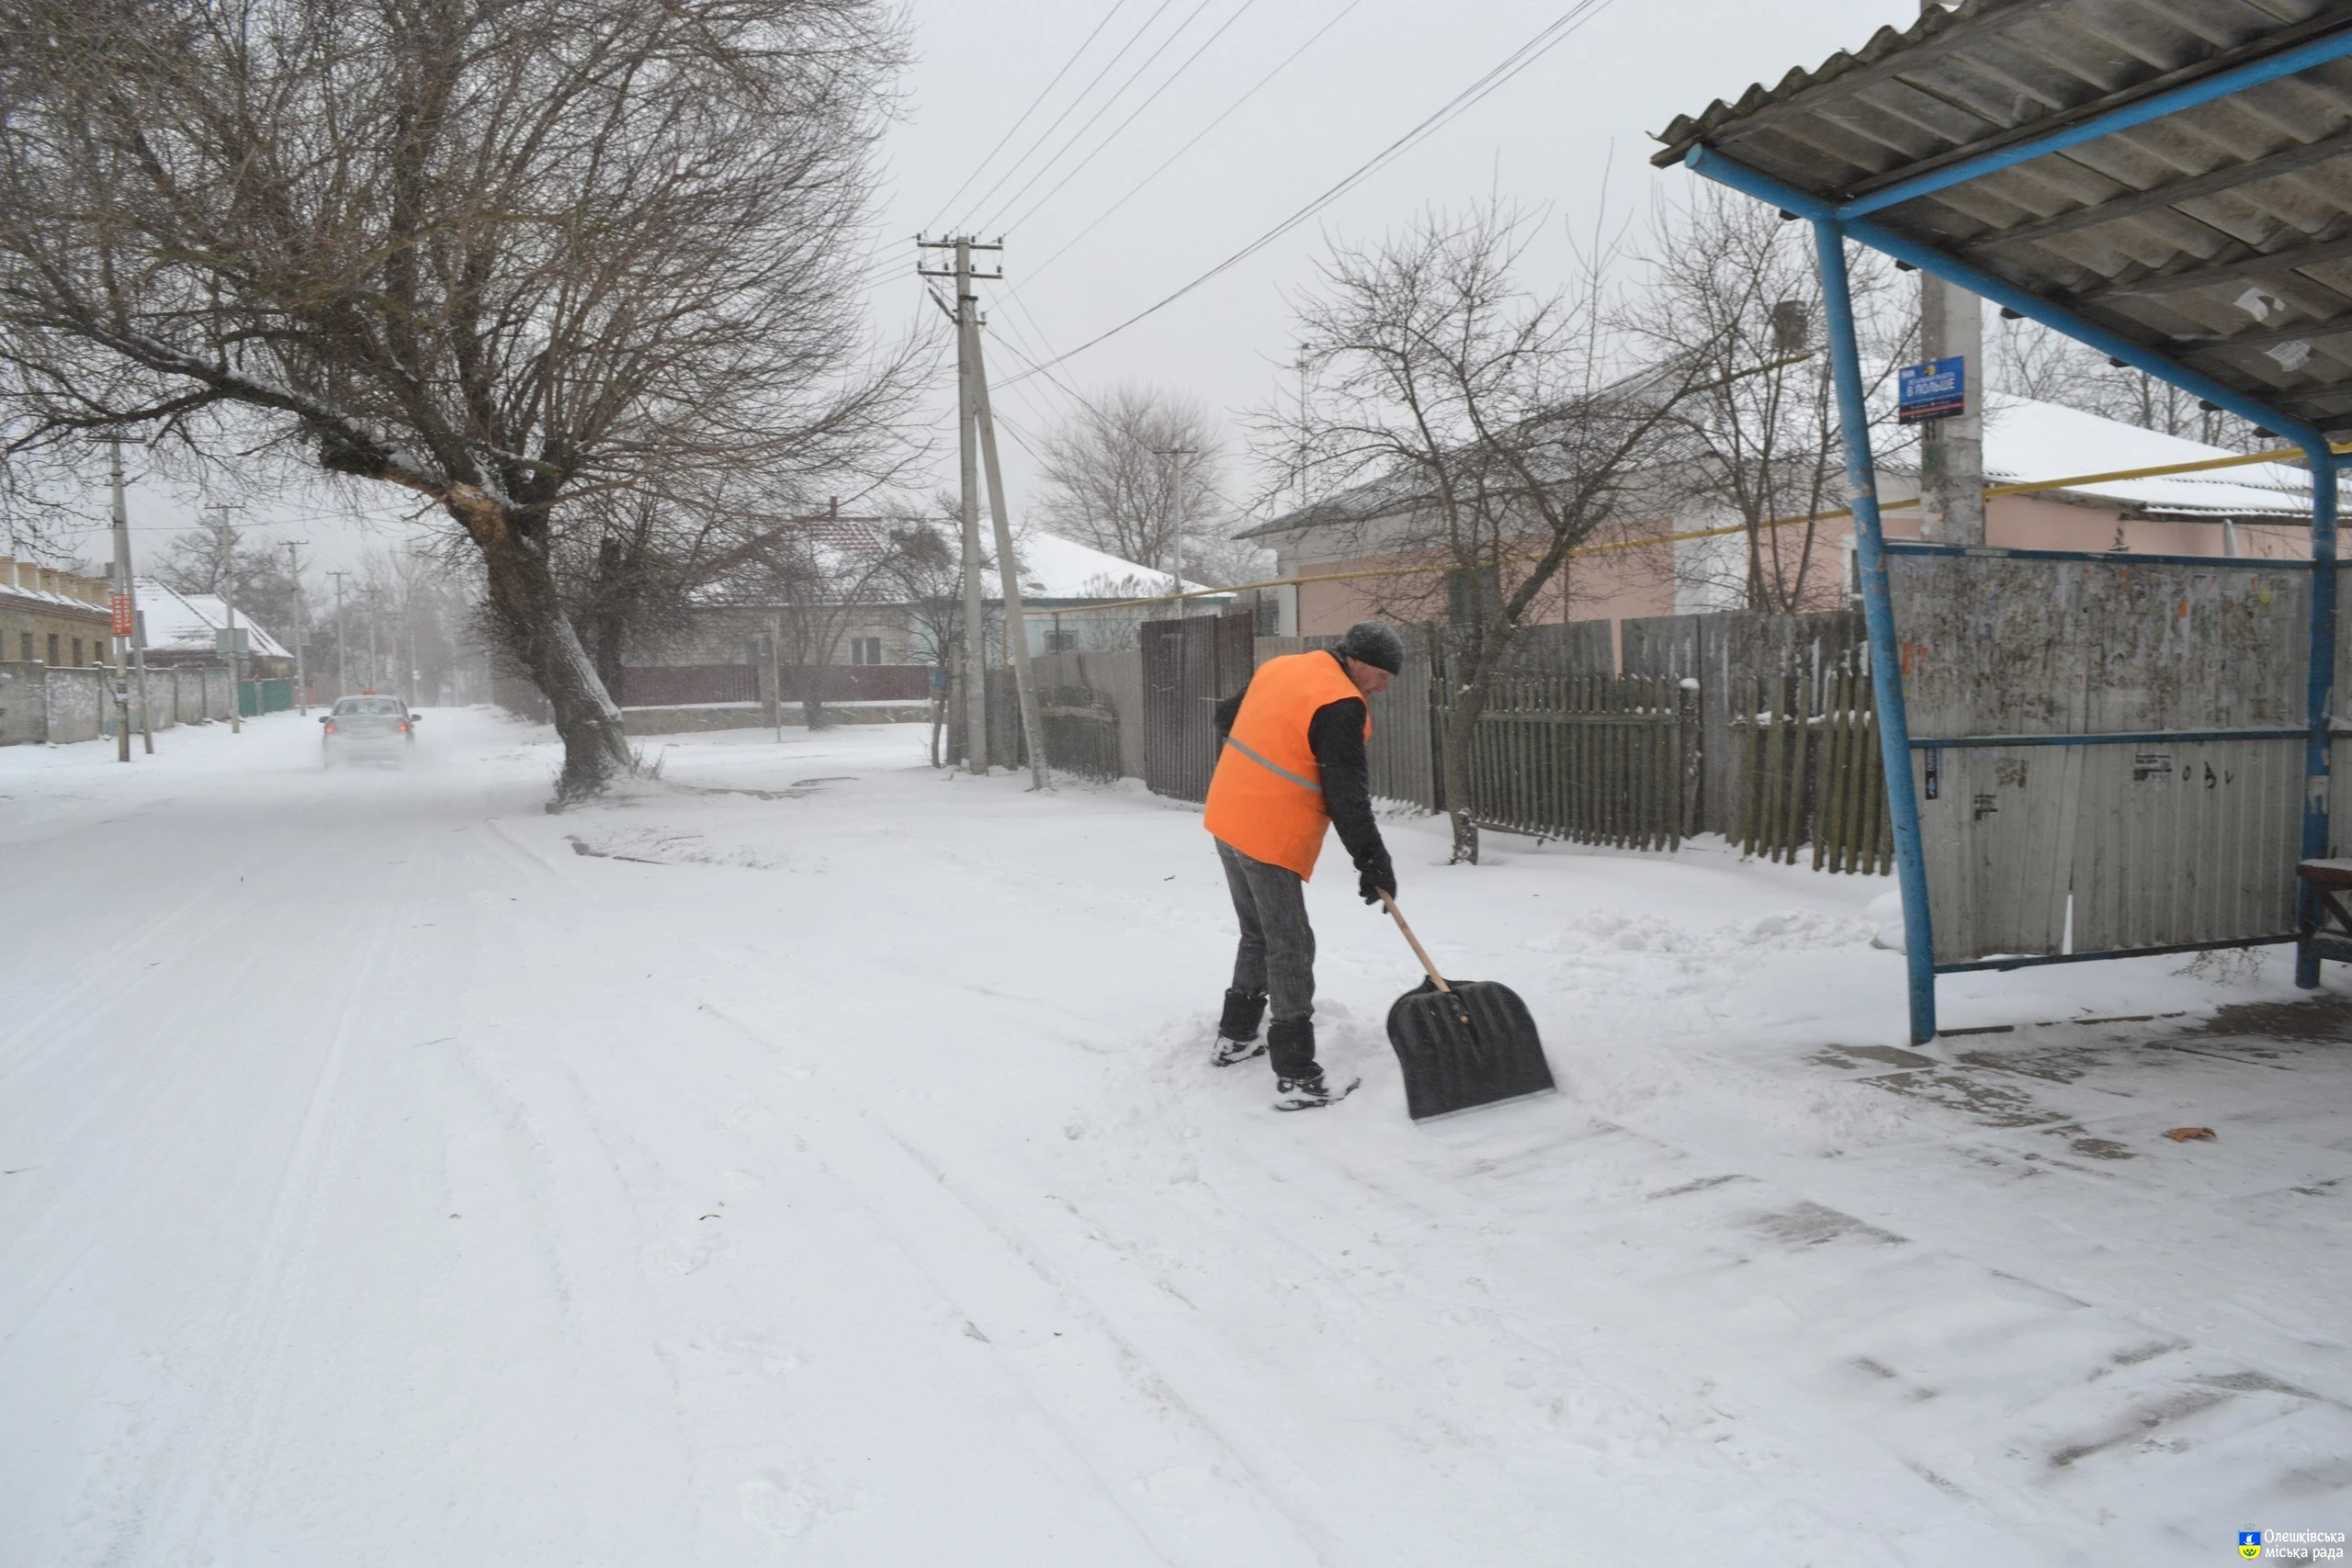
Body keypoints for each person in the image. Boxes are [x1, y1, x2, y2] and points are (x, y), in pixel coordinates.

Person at [1203, 620, 1403, 1110]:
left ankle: (1235, 1038)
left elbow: (1227, 719)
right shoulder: (1338, 703)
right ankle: (1296, 1075)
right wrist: (1373, 862)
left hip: (1227, 816)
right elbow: (1346, 795)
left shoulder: (1283, 668)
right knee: (1290, 944)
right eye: (1381, 675)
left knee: (1259, 934)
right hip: (1268, 834)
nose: (1382, 687)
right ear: (1355, 661)